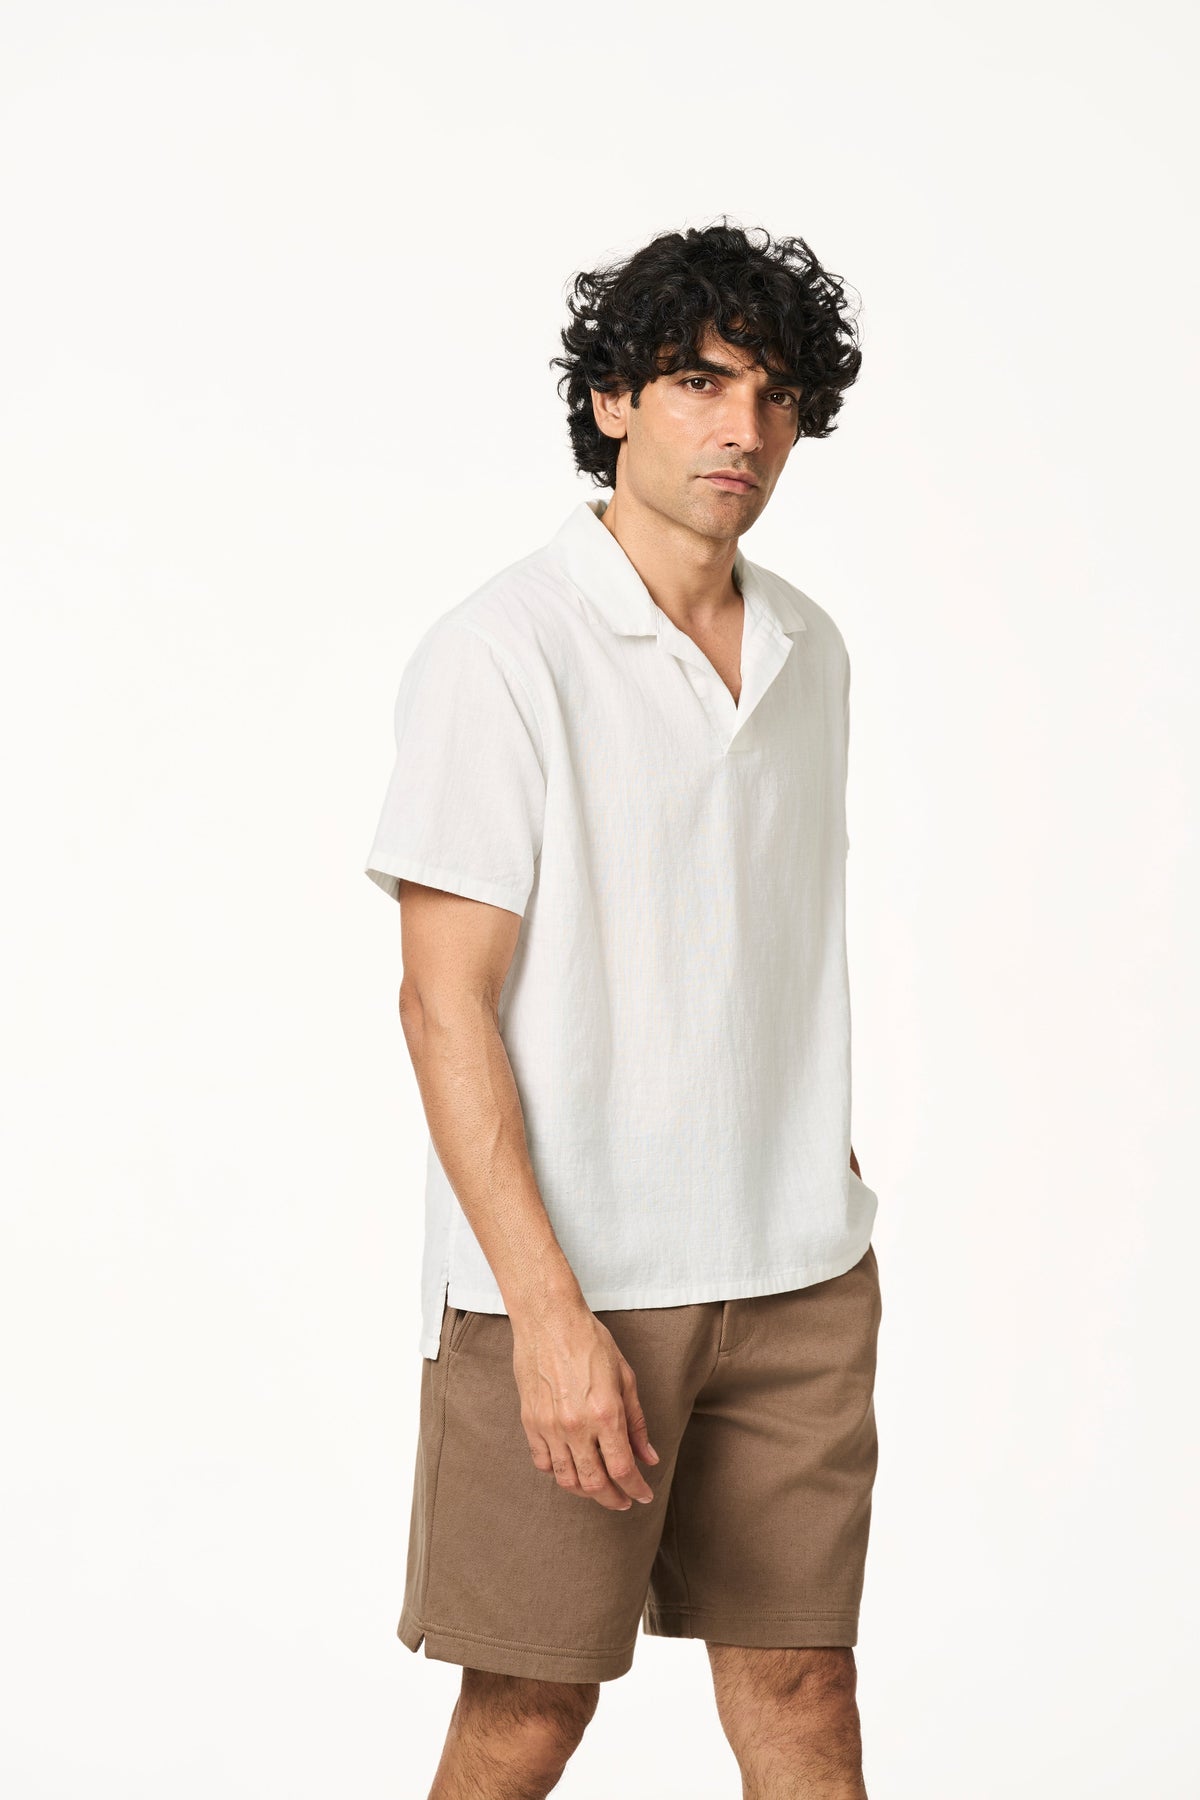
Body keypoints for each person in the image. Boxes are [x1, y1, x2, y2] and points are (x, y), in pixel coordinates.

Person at [364, 219, 883, 1799]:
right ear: (611, 401)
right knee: (529, 1709)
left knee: (803, 1688)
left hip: (797, 1274)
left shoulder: (808, 651)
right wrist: (544, 1317)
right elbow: (442, 1005)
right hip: (577, 1281)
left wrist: (822, 1180)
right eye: (699, 382)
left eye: (775, 394)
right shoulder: (501, 653)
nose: (743, 429)